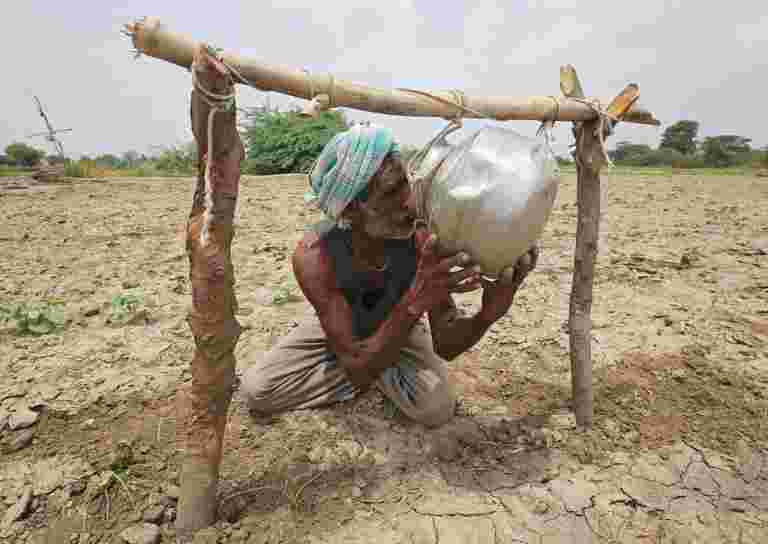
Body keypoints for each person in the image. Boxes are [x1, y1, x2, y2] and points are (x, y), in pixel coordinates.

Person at [241, 125, 538, 427]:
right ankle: (371, 362)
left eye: (405, 183)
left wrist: (488, 314)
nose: (409, 200)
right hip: (345, 327)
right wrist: (413, 303)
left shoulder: (423, 234)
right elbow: (358, 366)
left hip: (402, 327)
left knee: (436, 408)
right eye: (392, 191)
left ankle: (372, 360)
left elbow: (446, 344)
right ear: (351, 211)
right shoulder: (316, 256)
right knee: (259, 390)